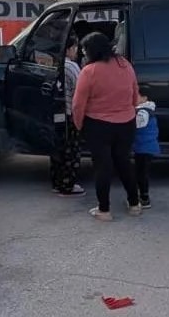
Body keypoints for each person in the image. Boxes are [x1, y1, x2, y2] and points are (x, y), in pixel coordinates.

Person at [72, 32, 142, 221]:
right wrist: (129, 110)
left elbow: (78, 104)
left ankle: (104, 210)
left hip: (98, 125)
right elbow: (134, 93)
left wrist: (79, 125)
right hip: (126, 123)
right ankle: (134, 204)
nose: (83, 53)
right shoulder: (125, 64)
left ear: (92, 51)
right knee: (124, 162)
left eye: (84, 50)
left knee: (103, 167)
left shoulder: (89, 71)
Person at [51, 33, 85, 195]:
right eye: (75, 47)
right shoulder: (72, 67)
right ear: (69, 49)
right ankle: (68, 185)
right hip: (70, 114)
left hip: (57, 114)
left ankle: (57, 183)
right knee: (71, 151)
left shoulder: (54, 64)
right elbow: (81, 89)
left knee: (57, 150)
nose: (77, 51)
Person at [134, 93, 160, 209]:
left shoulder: (143, 112)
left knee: (141, 173)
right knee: (141, 172)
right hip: (146, 147)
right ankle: (143, 196)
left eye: (137, 96)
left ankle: (144, 198)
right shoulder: (150, 110)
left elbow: (138, 125)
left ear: (145, 98)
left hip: (143, 147)